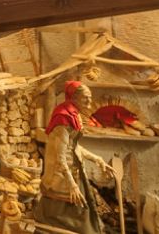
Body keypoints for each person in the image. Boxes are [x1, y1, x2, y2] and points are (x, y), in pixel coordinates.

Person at [35, 81, 111, 234]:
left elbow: (73, 147)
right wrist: (72, 185)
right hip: (60, 174)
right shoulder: (63, 120)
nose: (89, 101)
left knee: (81, 213)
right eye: (85, 97)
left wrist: (97, 159)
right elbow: (60, 157)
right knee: (62, 214)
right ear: (73, 98)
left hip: (73, 170)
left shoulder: (74, 115)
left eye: (90, 97)